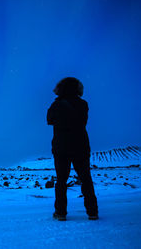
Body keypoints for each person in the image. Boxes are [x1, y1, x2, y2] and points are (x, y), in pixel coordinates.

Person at [47, 77, 98, 221]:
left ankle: (61, 213)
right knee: (86, 179)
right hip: (80, 146)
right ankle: (92, 212)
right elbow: (83, 121)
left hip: (61, 147)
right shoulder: (83, 104)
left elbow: (49, 120)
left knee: (61, 181)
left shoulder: (56, 105)